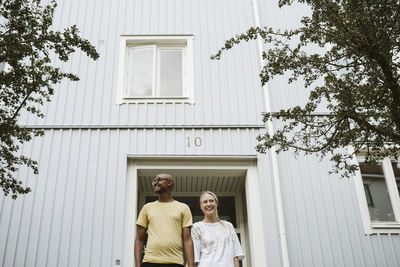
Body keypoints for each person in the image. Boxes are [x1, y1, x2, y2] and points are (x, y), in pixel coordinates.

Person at [134, 173, 195, 267]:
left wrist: (191, 265)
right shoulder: (147, 207)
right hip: (150, 261)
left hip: (175, 262)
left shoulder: (183, 208)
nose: (154, 183)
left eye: (158, 180)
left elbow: (187, 239)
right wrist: (138, 265)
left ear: (169, 183)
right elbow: (139, 239)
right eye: (153, 181)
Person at [191, 191, 244, 267]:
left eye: (211, 201)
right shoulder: (196, 227)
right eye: (205, 202)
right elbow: (195, 258)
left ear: (216, 204)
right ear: (201, 206)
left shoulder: (228, 226)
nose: (208, 204)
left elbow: (235, 255)